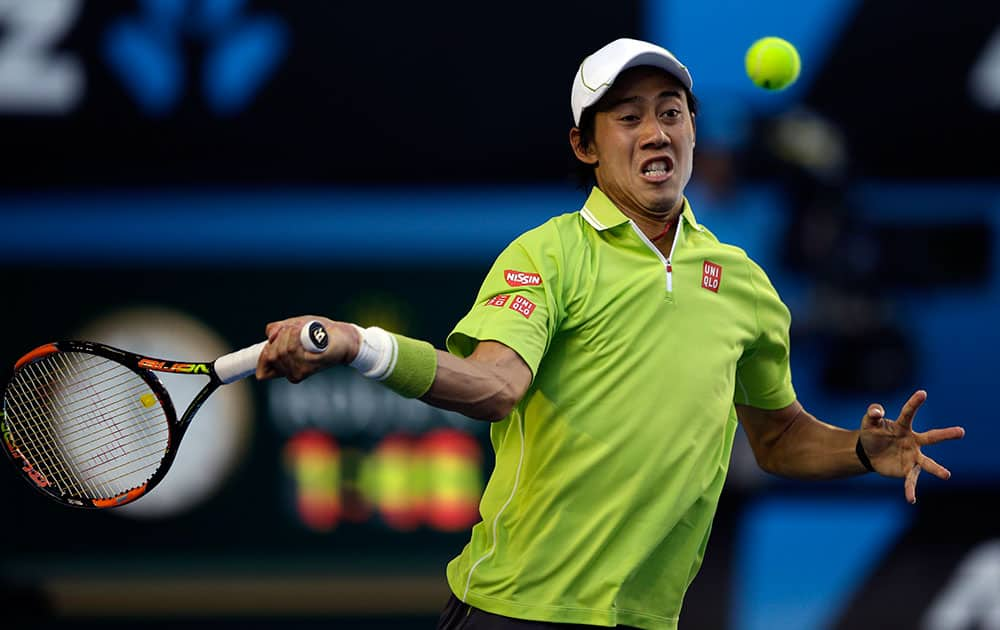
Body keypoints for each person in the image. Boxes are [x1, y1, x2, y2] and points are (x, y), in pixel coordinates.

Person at [256, 38, 965, 630]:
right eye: (628, 117)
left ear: (692, 130)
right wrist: (361, 343)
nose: (657, 131)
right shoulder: (549, 254)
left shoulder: (741, 281)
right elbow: (496, 386)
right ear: (584, 145)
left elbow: (777, 439)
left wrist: (860, 451)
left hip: (647, 619)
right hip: (517, 610)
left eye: (672, 112)